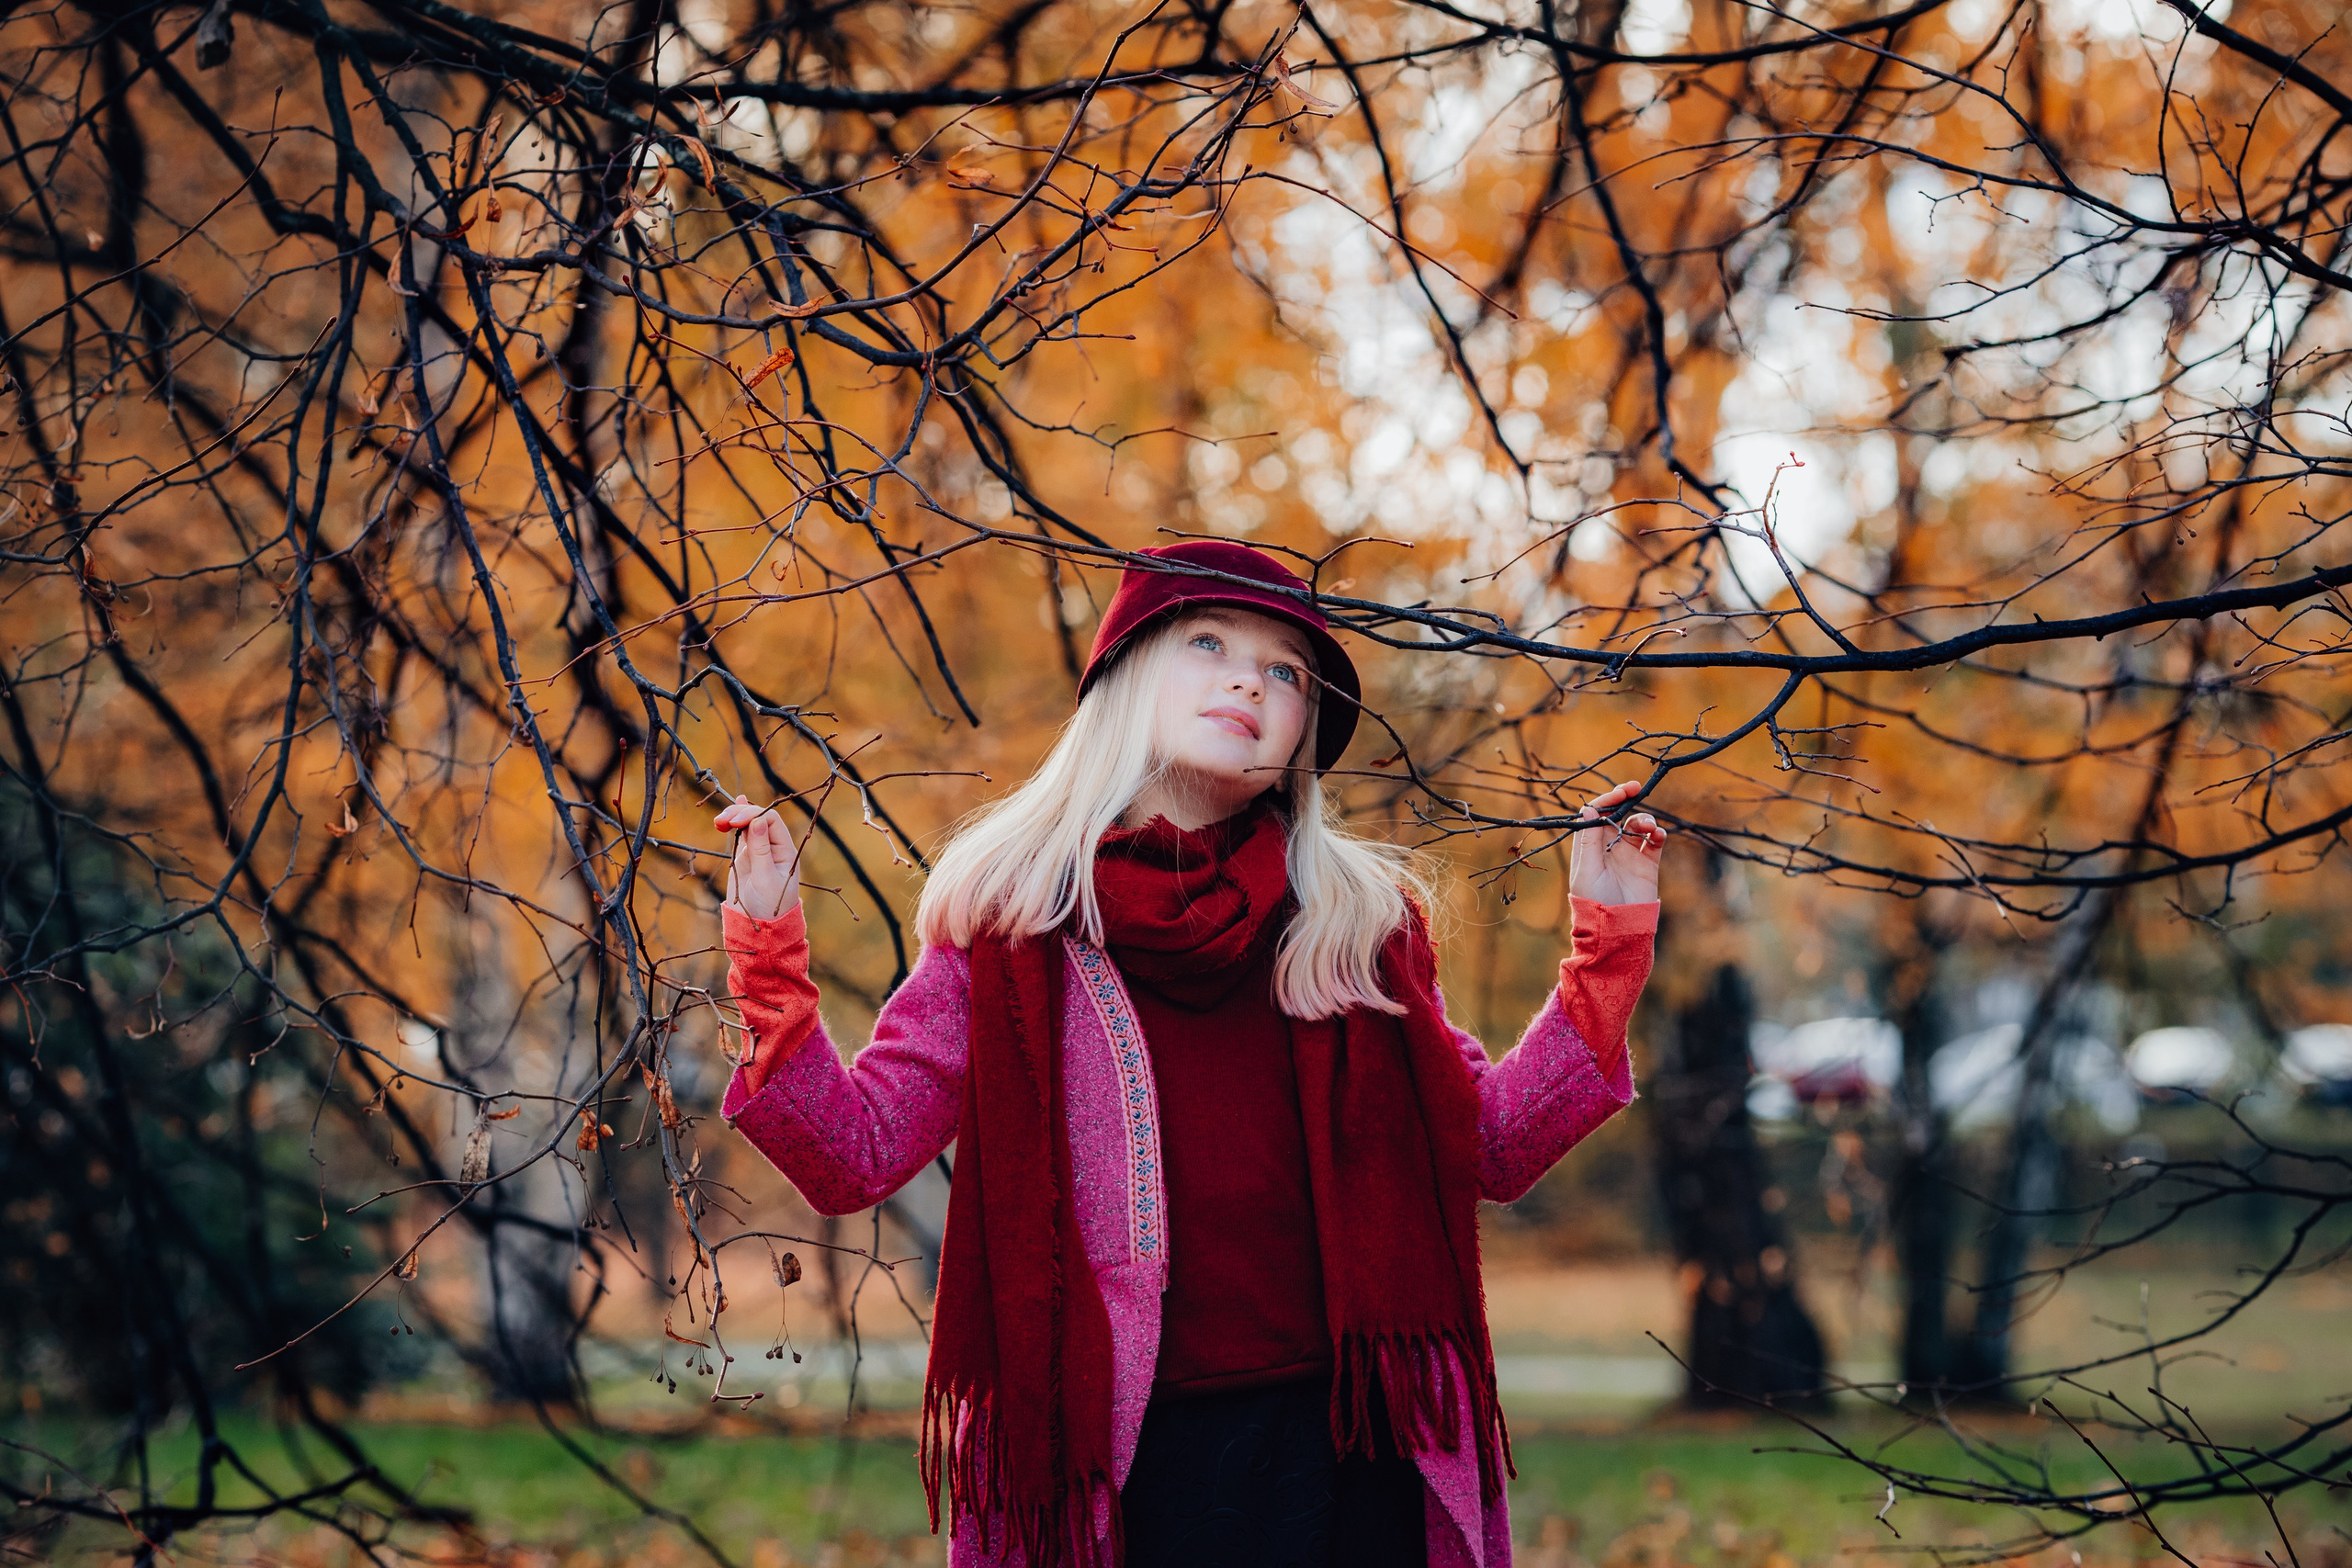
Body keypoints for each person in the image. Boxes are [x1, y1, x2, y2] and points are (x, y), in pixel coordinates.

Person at [711, 540, 1665, 1568]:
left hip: (1350, 1450)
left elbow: (1494, 1144)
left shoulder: (1354, 926)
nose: (1249, 680)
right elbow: (849, 1153)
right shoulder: (1011, 928)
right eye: (1207, 643)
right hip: (1122, 1463)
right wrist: (768, 957)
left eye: (1285, 671)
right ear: (1124, 677)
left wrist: (1607, 947)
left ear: (1302, 734)